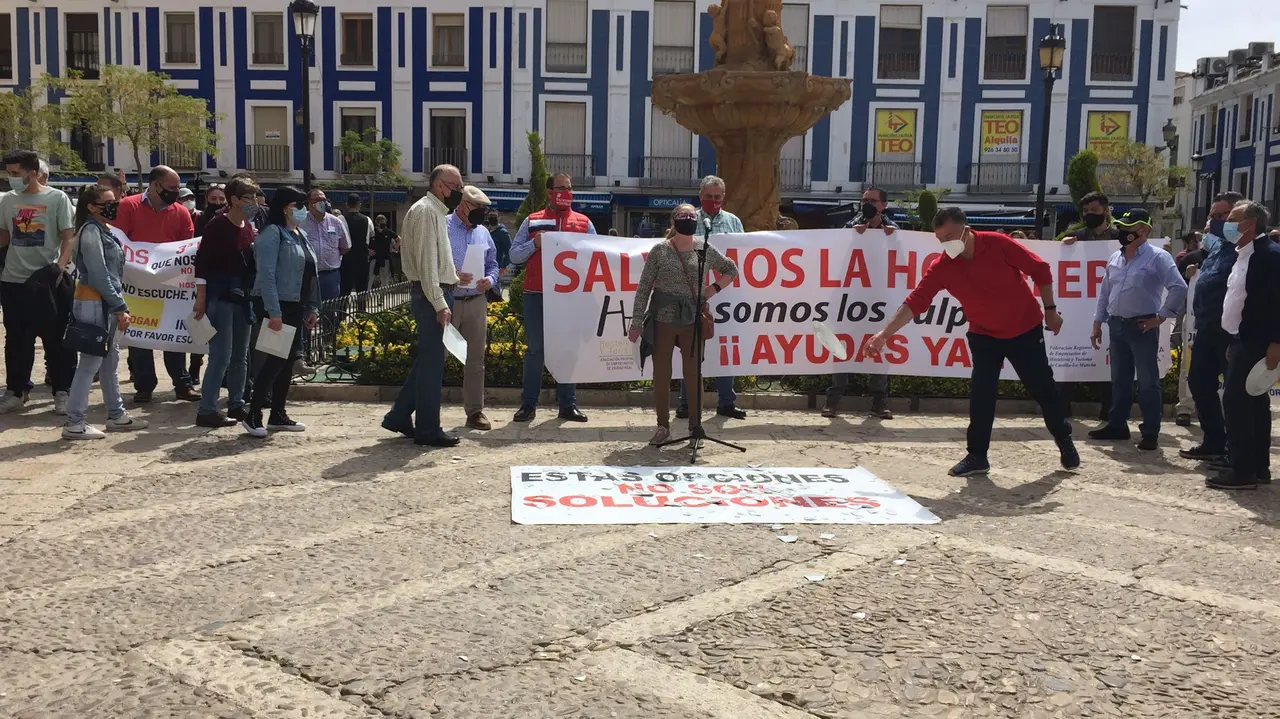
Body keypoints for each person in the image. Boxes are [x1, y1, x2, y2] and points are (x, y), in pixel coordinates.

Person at [865, 207, 1078, 477]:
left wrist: (1050, 310)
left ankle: (1063, 437)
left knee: (1042, 387)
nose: (945, 243)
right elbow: (916, 301)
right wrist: (883, 334)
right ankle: (977, 456)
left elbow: (1040, 269)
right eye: (940, 239)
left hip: (1024, 329)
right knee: (981, 394)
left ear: (966, 230)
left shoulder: (998, 244)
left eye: (949, 236)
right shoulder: (943, 266)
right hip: (983, 335)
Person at [629, 204, 739, 445]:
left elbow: (731, 269)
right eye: (682, 215)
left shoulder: (704, 249)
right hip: (663, 319)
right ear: (674, 221)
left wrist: (711, 290)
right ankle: (663, 427)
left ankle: (695, 427)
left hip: (692, 320)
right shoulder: (660, 250)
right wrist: (636, 321)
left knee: (693, 374)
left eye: (691, 215)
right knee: (661, 375)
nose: (688, 219)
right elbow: (644, 287)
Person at [1087, 209, 1187, 451]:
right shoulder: (1115, 257)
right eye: (1121, 226)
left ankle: (1150, 432)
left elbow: (1179, 287)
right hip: (1117, 325)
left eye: (1128, 227)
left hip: (1142, 327)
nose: (1122, 231)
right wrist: (1098, 322)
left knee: (1147, 382)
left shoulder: (1158, 257)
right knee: (1119, 380)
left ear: (1144, 230)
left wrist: (1161, 317)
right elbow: (1105, 293)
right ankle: (1117, 425)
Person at [382, 164, 462, 447]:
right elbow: (428, 266)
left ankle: (398, 416)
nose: (460, 192)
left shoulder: (433, 211)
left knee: (427, 362)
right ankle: (428, 430)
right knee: (431, 368)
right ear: (440, 185)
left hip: (432, 293)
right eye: (457, 186)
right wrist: (440, 304)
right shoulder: (427, 212)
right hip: (432, 296)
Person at [62, 185, 147, 438]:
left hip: (104, 303)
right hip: (96, 304)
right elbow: (100, 275)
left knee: (110, 362)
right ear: (91, 207)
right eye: (108, 203)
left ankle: (116, 415)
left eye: (115, 201)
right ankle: (74, 422)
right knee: (90, 363)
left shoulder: (103, 230)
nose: (114, 206)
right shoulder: (91, 232)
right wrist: (120, 306)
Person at [509, 173, 594, 423]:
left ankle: (568, 405)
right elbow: (514, 255)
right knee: (535, 350)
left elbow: (597, 255)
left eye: (569, 188)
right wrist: (534, 244)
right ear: (549, 192)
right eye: (560, 188)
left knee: (569, 349)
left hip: (569, 297)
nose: (566, 192)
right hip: (536, 295)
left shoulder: (584, 223)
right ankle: (528, 405)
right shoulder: (532, 221)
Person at [1208, 201, 1280, 491]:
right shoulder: (1243, 254)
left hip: (1259, 341)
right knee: (1253, 403)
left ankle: (1242, 470)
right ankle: (1256, 466)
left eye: (1232, 219)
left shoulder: (1269, 256)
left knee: (1237, 402)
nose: (1226, 224)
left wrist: (1276, 342)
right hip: (1242, 338)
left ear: (1249, 224)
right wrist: (1233, 338)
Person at [0, 149, 77, 414]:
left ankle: (62, 391)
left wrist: (59, 268)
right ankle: (16, 390)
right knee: (17, 339)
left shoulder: (57, 198)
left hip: (48, 281)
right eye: (8, 173)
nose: (11, 178)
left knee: (56, 339)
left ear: (33, 173)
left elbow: (68, 236)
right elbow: (4, 236)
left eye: (16, 173)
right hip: (13, 280)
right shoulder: (7, 200)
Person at [113, 165, 199, 403]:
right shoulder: (127, 206)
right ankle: (144, 386)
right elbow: (118, 242)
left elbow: (186, 249)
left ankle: (182, 384)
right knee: (140, 334)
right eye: (172, 187)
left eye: (177, 187)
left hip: (170, 284)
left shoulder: (181, 213)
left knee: (174, 334)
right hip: (137, 285)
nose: (176, 192)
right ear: (154, 185)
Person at [242, 185, 319, 438]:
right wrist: (274, 311)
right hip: (278, 305)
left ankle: (278, 413)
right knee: (275, 360)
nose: (304, 210)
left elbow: (309, 273)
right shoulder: (272, 234)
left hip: (296, 304)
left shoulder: (299, 234)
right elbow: (266, 275)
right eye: (300, 205)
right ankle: (253, 414)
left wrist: (311, 307)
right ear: (286, 207)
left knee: (287, 362)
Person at [671, 175, 748, 422]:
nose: (713, 200)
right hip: (691, 294)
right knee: (691, 349)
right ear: (700, 195)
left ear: (723, 197)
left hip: (726, 294)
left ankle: (727, 402)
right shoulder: (689, 219)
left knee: (726, 348)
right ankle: (686, 402)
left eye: (717, 196)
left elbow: (742, 255)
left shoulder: (734, 222)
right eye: (708, 196)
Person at [1180, 192, 1244, 464]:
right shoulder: (1216, 249)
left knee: (1236, 393)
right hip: (1207, 329)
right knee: (1198, 381)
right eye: (1212, 216)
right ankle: (1214, 440)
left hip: (1232, 333)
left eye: (1222, 216)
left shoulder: (1244, 250)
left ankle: (1237, 451)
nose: (1216, 221)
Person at [193, 176, 258, 428]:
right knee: (220, 355)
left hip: (242, 297)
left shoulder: (248, 227)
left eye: (255, 197)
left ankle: (236, 403)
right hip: (220, 296)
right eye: (249, 198)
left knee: (241, 355)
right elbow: (202, 263)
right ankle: (207, 409)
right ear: (234, 200)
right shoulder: (217, 225)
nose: (254, 202)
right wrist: (201, 298)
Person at [826, 186, 897, 419]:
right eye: (864, 200)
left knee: (879, 347)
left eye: (872, 201)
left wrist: (892, 236)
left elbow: (903, 256)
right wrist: (852, 235)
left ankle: (879, 401)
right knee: (842, 346)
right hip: (850, 300)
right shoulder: (850, 227)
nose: (867, 204)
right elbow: (835, 250)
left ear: (883, 205)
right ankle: (833, 400)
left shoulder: (894, 230)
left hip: (879, 301)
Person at [1059, 191, 1118, 419]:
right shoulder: (1075, 237)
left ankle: (1109, 411)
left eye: (1094, 210)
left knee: (1107, 360)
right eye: (1085, 211)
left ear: (1105, 210)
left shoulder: (1121, 238)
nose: (1089, 214)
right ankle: (1063, 409)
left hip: (1109, 307)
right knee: (1071, 359)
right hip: (1078, 308)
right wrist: (1063, 248)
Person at [448, 186, 500, 430]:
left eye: (483, 208)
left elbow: (493, 264)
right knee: (435, 358)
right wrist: (452, 275)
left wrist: (490, 280)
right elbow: (431, 261)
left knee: (476, 360)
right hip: (448, 301)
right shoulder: (443, 227)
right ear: (463, 204)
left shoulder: (483, 232)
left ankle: (475, 412)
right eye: (477, 207)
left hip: (476, 302)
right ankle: (424, 411)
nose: (481, 212)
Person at [298, 189, 351, 304]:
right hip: (306, 275)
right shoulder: (300, 221)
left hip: (329, 275)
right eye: (318, 200)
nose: (322, 203)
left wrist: (330, 255)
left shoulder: (336, 222)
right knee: (307, 308)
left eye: (324, 200)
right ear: (309, 203)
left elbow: (345, 246)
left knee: (330, 309)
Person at [340, 193, 373, 295]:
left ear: (347, 205)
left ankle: (343, 306)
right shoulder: (367, 220)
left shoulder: (341, 219)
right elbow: (371, 235)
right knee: (362, 290)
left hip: (346, 259)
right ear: (359, 204)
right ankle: (362, 306)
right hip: (363, 259)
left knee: (344, 290)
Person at [370, 214, 397, 288]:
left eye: (384, 222)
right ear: (377, 222)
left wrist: (396, 248)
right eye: (381, 222)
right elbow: (366, 242)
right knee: (370, 279)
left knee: (385, 281)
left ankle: (383, 294)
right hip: (374, 258)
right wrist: (369, 251)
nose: (383, 224)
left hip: (385, 259)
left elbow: (398, 239)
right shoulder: (372, 232)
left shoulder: (388, 232)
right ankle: (367, 293)